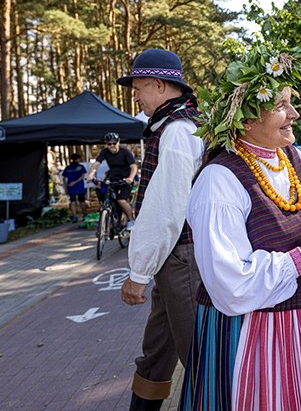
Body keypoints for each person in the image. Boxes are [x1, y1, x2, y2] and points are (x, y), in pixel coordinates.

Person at [182, 49, 301, 410]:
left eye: (290, 102)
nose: (294, 114)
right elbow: (231, 287)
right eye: (281, 105)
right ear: (243, 118)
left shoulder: (290, 159)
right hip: (257, 338)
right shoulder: (219, 181)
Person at [111, 48, 206, 410]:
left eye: (139, 88)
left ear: (158, 85)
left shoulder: (179, 131)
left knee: (198, 357)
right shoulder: (178, 125)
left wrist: (139, 271)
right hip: (176, 258)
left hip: (181, 259)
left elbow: (167, 207)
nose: (135, 96)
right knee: (157, 351)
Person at [88, 132, 137, 226]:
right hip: (113, 180)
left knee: (121, 200)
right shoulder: (105, 152)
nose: (112, 146)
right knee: (107, 198)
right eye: (109, 144)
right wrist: (91, 174)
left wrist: (130, 178)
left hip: (125, 180)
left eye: (114, 143)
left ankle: (131, 220)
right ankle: (112, 220)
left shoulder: (125, 152)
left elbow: (133, 166)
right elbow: (97, 163)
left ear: (118, 142)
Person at [61, 153, 89, 223]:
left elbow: (63, 178)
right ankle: (85, 215)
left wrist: (65, 187)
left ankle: (74, 217)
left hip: (71, 187)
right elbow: (82, 176)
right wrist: (76, 182)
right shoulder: (80, 167)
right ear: (77, 159)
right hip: (79, 186)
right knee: (82, 201)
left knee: (73, 201)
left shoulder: (68, 167)